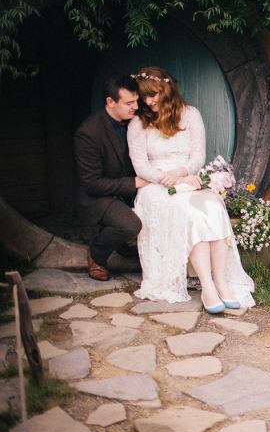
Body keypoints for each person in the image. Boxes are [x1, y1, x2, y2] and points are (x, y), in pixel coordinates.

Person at [127, 66, 254, 312]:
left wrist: (182, 173)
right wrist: (171, 179)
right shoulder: (138, 122)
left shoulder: (191, 114)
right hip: (156, 186)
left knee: (213, 207)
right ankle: (207, 287)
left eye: (152, 94)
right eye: (144, 96)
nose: (148, 101)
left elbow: (197, 157)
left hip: (187, 177)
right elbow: (140, 166)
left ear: (166, 90)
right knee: (193, 215)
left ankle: (222, 282)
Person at [74, 73, 148, 281]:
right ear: (110, 102)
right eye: (129, 103)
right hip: (98, 195)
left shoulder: (136, 117)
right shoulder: (88, 133)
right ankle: (97, 254)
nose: (135, 106)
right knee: (129, 225)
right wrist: (133, 183)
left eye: (136, 100)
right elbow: (92, 184)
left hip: (128, 187)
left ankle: (123, 243)